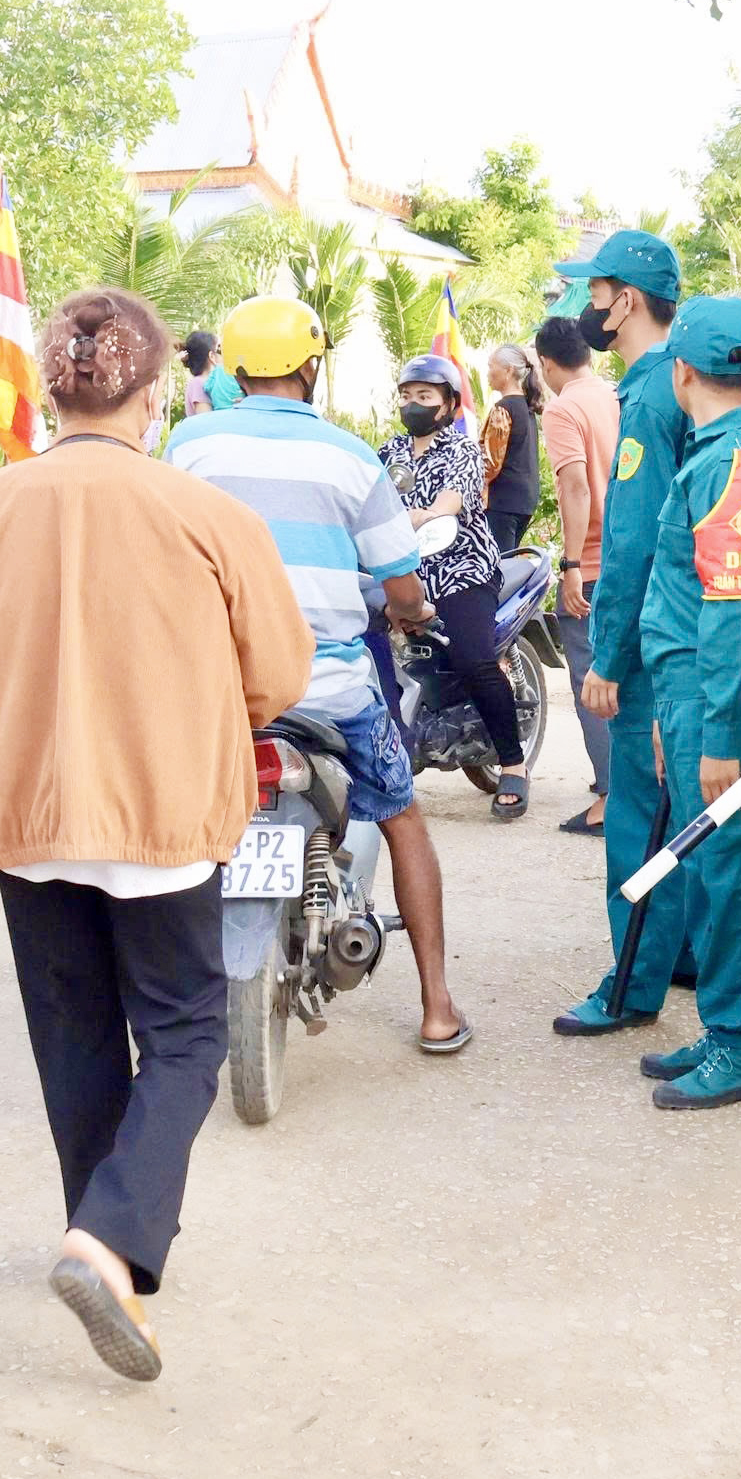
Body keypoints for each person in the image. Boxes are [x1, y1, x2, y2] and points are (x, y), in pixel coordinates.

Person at [0, 288, 312, 1380]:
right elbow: (277, 675)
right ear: (155, 393)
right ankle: (107, 1240)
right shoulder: (207, 516)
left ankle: (105, 1242)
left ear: (53, 387)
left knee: (72, 1037)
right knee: (182, 1036)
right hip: (163, 815)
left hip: (24, 819)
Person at [166, 298, 471, 1053]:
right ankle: (438, 1007)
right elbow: (401, 583)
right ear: (311, 366)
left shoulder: (188, 446)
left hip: (215, 694)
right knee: (402, 816)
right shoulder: (350, 456)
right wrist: (410, 611)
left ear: (235, 368)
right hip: (329, 691)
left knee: (170, 829)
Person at [636, 298, 741, 1109]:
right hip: (693, 694)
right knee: (712, 864)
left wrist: (720, 735)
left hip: (721, 696)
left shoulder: (732, 462)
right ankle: (724, 1024)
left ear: (681, 372)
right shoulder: (724, 453)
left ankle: (738, 1046)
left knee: (734, 871)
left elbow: (730, 612)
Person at [548, 229, 699, 1039]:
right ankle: (677, 957)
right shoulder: (688, 380)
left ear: (628, 301)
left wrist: (608, 655)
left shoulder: (646, 394)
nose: (587, 308)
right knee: (678, 808)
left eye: (596, 292)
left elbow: (634, 537)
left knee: (638, 813)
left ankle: (631, 985)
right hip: (694, 630)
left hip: (650, 634)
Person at [380, 353, 531, 821]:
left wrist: (408, 518)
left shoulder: (463, 449)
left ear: (447, 404)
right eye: (407, 396)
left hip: (460, 568)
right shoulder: (388, 452)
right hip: (403, 571)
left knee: (473, 657)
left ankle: (513, 762)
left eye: (424, 397)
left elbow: (446, 506)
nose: (414, 405)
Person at [536, 314, 618, 833]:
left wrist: (569, 565)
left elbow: (575, 487)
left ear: (546, 363)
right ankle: (627, 786)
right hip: (628, 556)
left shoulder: (563, 409)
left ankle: (611, 799)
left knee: (592, 682)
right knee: (626, 680)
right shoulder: (615, 395)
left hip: (590, 562)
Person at [481, 344, 547, 551]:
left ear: (508, 370)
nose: (488, 372)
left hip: (502, 501)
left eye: (491, 366)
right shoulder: (527, 408)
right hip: (524, 500)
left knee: (498, 566)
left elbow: (490, 463)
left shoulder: (503, 409)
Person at [181, 330, 242, 416]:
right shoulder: (198, 384)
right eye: (220, 351)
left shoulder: (217, 382)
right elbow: (205, 420)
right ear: (212, 356)